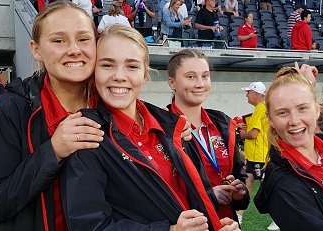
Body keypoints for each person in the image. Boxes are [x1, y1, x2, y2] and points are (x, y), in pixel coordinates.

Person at [60, 24, 240, 231]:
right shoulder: (87, 134)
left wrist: (215, 224)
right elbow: (90, 226)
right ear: (93, 72)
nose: (120, 75)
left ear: (146, 73)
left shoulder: (174, 127)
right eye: (107, 65)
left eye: (132, 66)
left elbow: (192, 198)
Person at [0, 2, 105, 231]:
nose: (74, 49)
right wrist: (53, 151)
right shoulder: (9, 110)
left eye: (84, 39)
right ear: (36, 49)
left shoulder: (109, 108)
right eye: (58, 40)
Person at [166, 48, 249, 222]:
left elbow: (239, 176)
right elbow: (162, 194)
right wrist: (210, 196)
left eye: (205, 76)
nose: (200, 84)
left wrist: (239, 193)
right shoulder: (161, 128)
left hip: (227, 224)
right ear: (172, 82)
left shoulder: (222, 123)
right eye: (190, 77)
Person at [254, 67, 323, 230]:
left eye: (302, 108)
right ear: (270, 119)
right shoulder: (282, 186)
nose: (294, 120)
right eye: (282, 113)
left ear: (316, 109)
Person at [236, 82, 269, 224]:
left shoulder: (260, 108)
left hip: (258, 156)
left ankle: (280, 217)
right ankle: (239, 215)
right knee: (249, 183)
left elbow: (254, 134)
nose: (246, 95)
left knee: (264, 186)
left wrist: (242, 134)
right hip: (257, 155)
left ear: (256, 94)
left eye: (248, 92)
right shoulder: (261, 109)